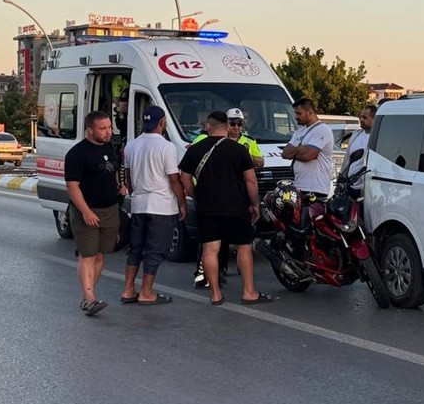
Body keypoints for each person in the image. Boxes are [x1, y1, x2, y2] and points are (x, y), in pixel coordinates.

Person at [179, 111, 274, 306]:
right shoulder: (239, 150)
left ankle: (215, 294)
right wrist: (255, 204)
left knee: (210, 249)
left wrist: (196, 195)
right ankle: (249, 292)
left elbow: (184, 177)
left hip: (207, 207)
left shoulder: (195, 149)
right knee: (243, 248)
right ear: (227, 126)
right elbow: (251, 180)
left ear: (208, 126)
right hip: (236, 206)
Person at [120, 105, 186, 306]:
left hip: (138, 204)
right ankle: (146, 292)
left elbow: (129, 177)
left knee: (136, 248)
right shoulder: (167, 147)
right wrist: (182, 203)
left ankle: (129, 290)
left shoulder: (131, 146)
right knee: (155, 250)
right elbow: (174, 180)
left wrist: (135, 194)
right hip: (161, 206)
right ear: (162, 123)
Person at [65, 110, 128, 316]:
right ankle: (90, 298)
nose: (108, 132)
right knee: (87, 255)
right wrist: (85, 211)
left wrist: (120, 186)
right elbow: (73, 186)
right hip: (87, 211)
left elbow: (111, 171)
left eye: (109, 127)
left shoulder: (110, 148)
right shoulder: (77, 154)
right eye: (103, 129)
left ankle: (87, 295)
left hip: (110, 210)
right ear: (90, 130)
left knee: (100, 255)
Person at [282, 98, 335, 201]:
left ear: (309, 112)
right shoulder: (299, 132)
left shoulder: (322, 130)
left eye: (299, 113)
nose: (296, 117)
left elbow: (307, 156)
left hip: (315, 188)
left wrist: (295, 151)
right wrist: (302, 149)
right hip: (298, 187)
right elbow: (285, 153)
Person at [344, 105, 376, 198]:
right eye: (360, 116)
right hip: (351, 185)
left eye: (365, 117)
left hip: (365, 188)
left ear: (374, 119)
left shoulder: (376, 138)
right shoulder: (356, 135)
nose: (361, 119)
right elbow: (347, 159)